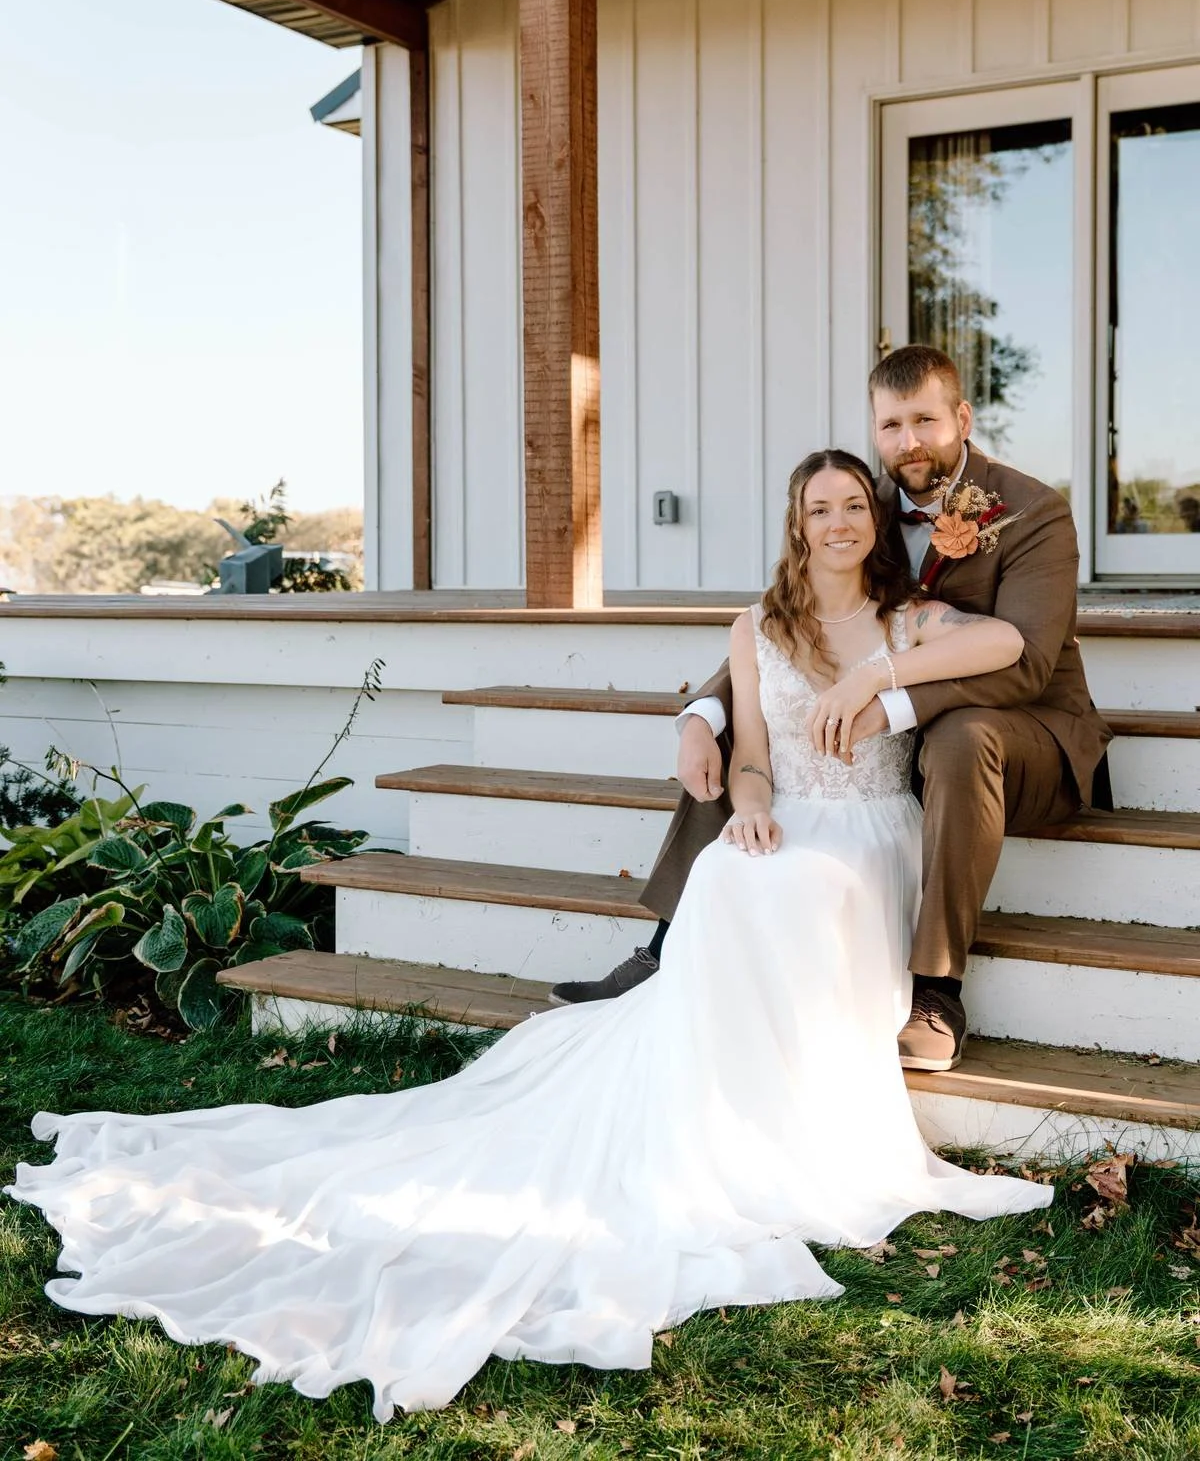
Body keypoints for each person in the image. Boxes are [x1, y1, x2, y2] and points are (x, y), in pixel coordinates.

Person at [8, 448, 1054, 1420]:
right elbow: (748, 748)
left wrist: (876, 675)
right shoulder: (754, 626)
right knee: (733, 876)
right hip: (786, 818)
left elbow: (1009, 640)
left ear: (877, 521)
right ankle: (718, 1105)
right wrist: (745, 797)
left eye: (853, 506)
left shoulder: (914, 619)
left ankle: (777, 1115)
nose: (837, 522)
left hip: (871, 836)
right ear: (796, 524)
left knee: (775, 894)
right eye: (817, 508)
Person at [552, 346, 1112, 1075]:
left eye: (925, 421)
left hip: (1031, 731)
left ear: (962, 419)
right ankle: (668, 947)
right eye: (890, 424)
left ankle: (937, 990)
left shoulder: (1034, 512)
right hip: (891, 715)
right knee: (757, 731)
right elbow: (790, 625)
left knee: (958, 738)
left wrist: (889, 696)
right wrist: (702, 715)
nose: (907, 441)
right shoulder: (861, 499)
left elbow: (1029, 660)